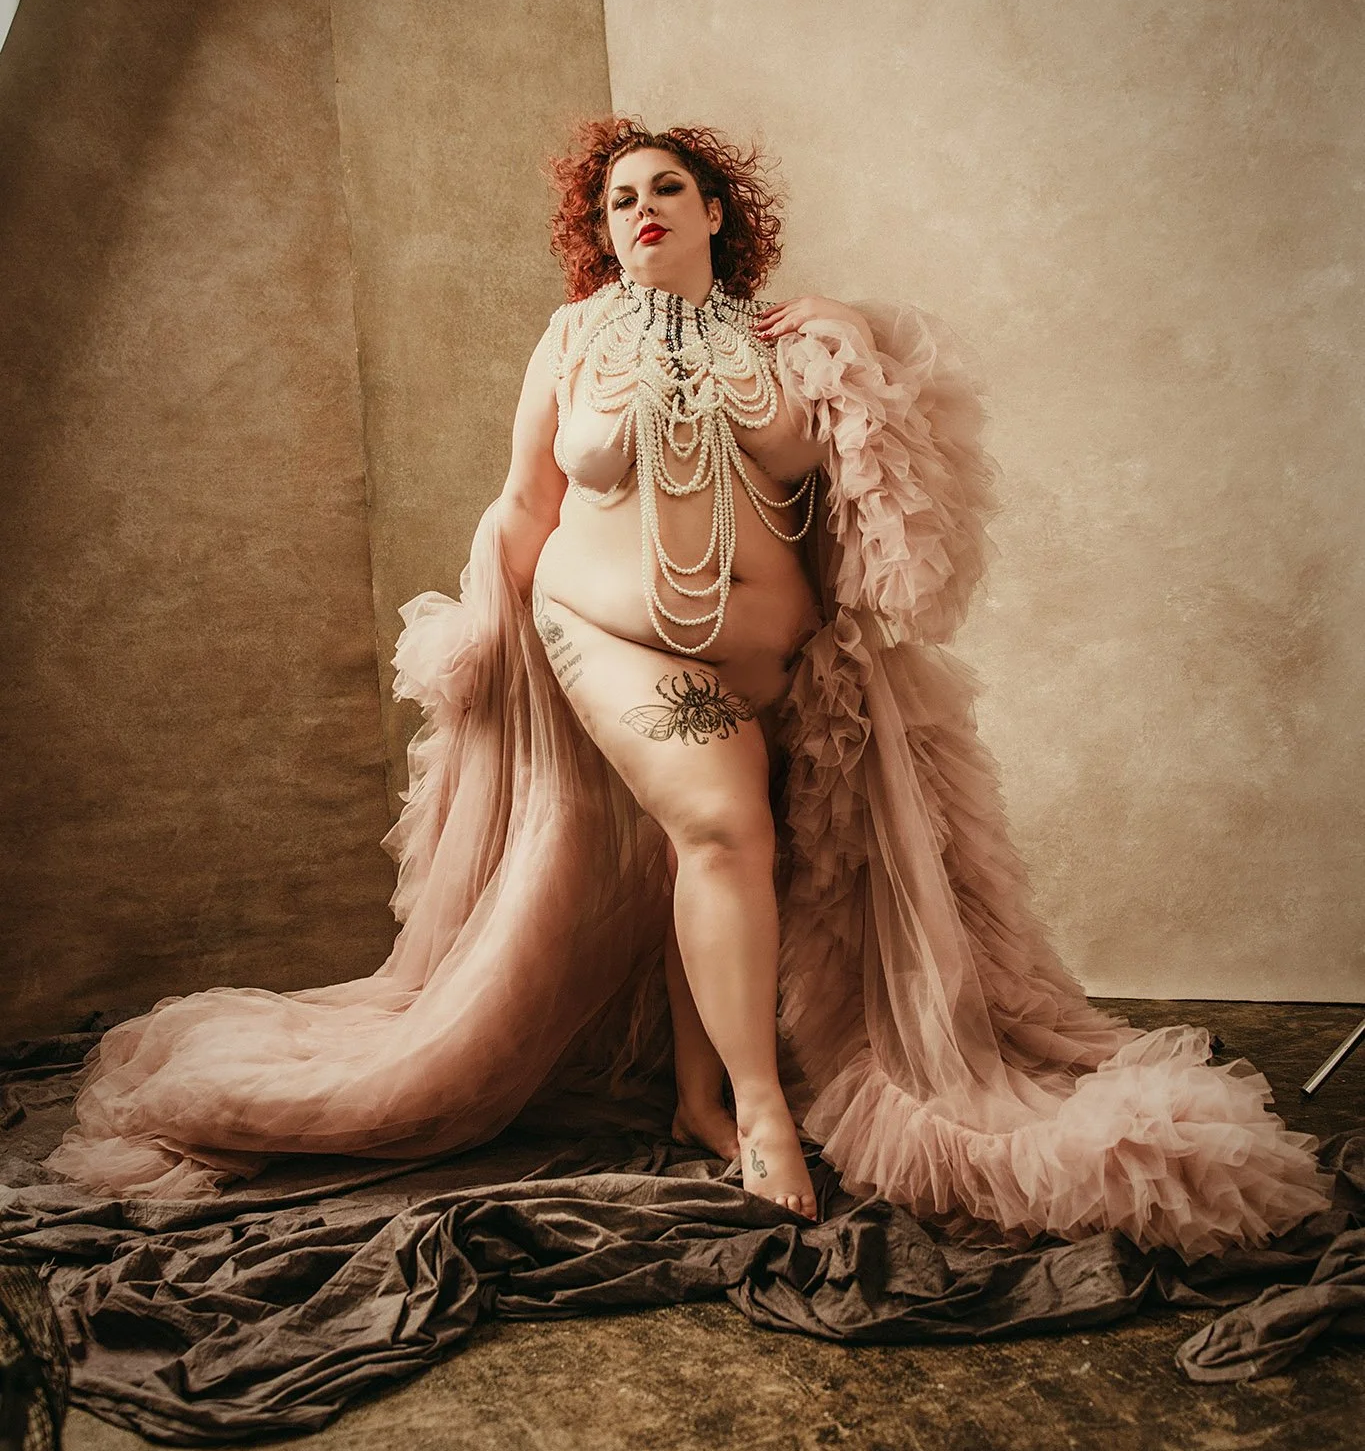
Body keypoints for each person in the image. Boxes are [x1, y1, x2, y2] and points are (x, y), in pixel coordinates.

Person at [48, 118, 1332, 1259]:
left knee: (714, 855)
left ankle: (696, 1092)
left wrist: (837, 338)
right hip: (610, 636)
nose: (640, 208)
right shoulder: (570, 338)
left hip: (775, 661)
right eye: (616, 198)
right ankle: (764, 1115)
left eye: (666, 187)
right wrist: (475, 637)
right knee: (723, 825)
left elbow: (877, 504)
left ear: (718, 212)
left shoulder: (788, 341)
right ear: (598, 230)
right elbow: (524, 502)